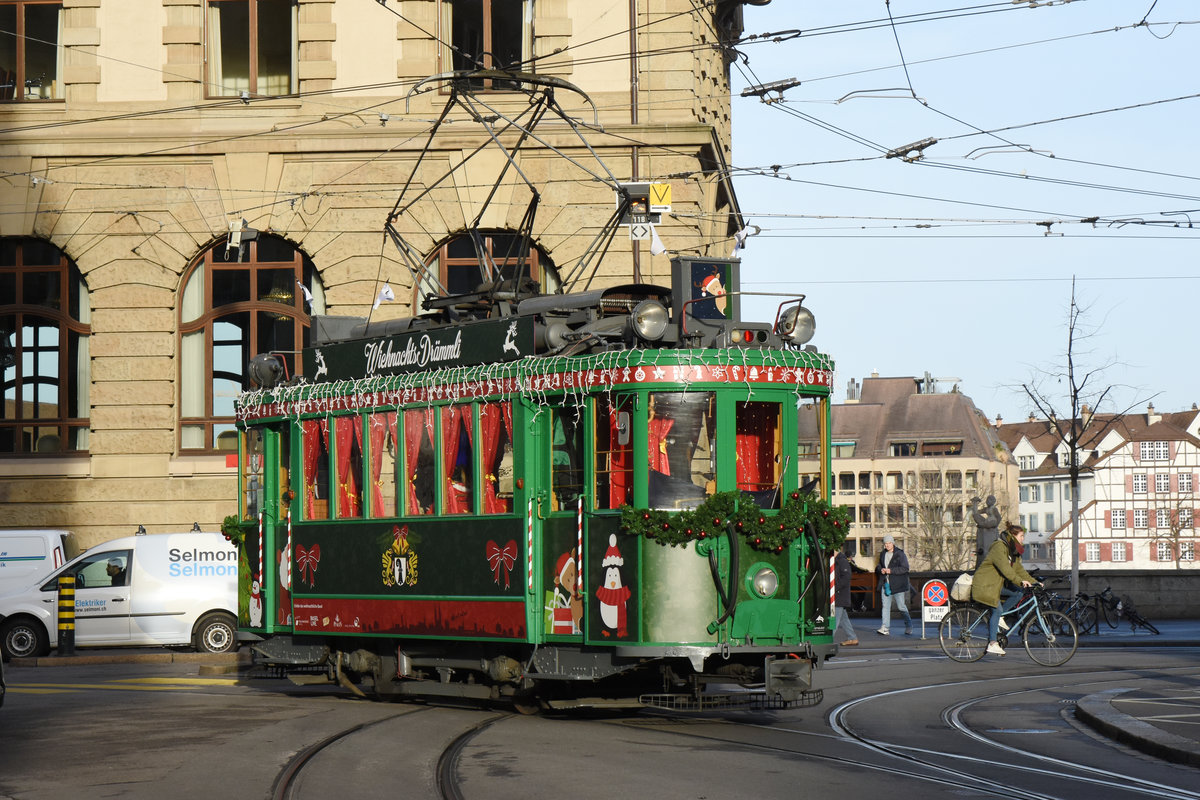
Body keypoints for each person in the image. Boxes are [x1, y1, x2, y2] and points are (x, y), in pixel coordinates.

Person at [972, 522, 1036, 656]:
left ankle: (999, 617)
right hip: (985, 585)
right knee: (997, 608)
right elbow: (1006, 570)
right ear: (1013, 536)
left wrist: (1034, 582)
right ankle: (992, 643)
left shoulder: (1013, 551)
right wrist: (1020, 581)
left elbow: (1019, 570)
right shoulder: (999, 547)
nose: (1023, 539)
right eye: (1021, 536)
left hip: (996, 586)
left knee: (1018, 592)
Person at [875, 534, 912, 635]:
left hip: (898, 585)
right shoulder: (882, 554)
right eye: (885, 543)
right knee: (885, 607)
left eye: (889, 543)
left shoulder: (900, 554)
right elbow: (878, 565)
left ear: (893, 543)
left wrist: (890, 571)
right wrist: (880, 569)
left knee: (901, 607)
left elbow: (905, 568)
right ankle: (885, 628)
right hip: (885, 584)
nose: (887, 545)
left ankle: (908, 624)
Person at [833, 545, 859, 646]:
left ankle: (827, 639)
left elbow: (846, 577)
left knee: (835, 619)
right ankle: (852, 638)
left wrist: (835, 588)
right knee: (843, 618)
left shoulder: (842, 561)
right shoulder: (838, 560)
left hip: (840, 594)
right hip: (839, 593)